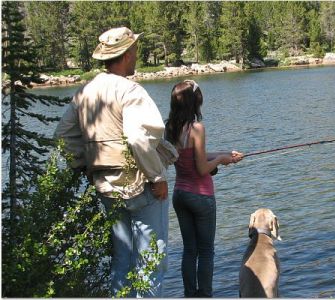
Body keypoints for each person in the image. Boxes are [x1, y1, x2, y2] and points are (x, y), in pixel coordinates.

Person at [54, 27, 177, 297]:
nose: (136, 56)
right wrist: (157, 177)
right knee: (151, 262)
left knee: (123, 261)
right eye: (134, 51)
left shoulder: (84, 92)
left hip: (105, 187)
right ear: (126, 54)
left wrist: (84, 167)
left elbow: (62, 136)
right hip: (140, 186)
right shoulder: (130, 91)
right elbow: (136, 138)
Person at [165, 80, 244, 297]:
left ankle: (190, 295)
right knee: (206, 252)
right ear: (195, 102)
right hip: (201, 197)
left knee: (190, 250)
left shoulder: (170, 128)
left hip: (180, 195)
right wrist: (220, 160)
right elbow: (201, 168)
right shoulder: (197, 128)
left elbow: (190, 157)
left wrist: (227, 154)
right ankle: (206, 296)